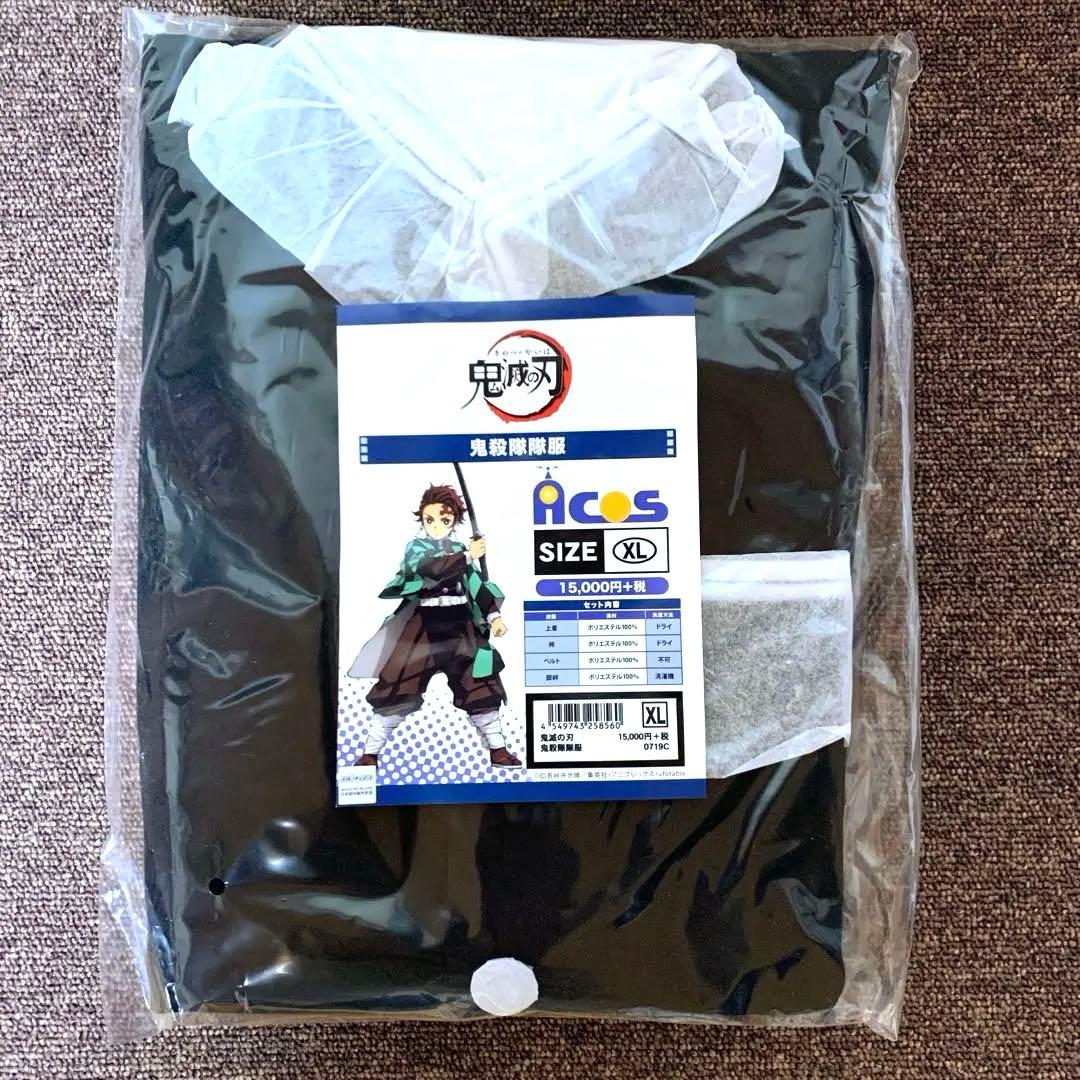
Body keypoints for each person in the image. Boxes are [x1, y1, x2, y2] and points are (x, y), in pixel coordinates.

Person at [348, 484, 521, 768]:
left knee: (480, 684)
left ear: (454, 521)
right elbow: (431, 568)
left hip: (461, 626)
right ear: (422, 520)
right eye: (430, 520)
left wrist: (494, 616)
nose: (437, 526)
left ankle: (497, 749)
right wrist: (468, 555)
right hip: (422, 627)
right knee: (397, 687)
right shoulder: (417, 549)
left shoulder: (460, 550)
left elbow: (475, 585)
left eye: (445, 519)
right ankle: (370, 753)